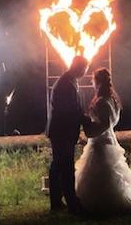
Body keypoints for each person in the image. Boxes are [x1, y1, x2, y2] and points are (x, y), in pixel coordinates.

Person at [75, 68, 131, 214]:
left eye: (93, 80)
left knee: (100, 173)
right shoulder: (113, 99)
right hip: (108, 139)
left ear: (97, 82)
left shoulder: (101, 102)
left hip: (101, 142)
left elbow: (104, 124)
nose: (91, 82)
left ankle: (102, 204)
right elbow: (112, 122)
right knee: (107, 174)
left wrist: (88, 128)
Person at [45, 55, 90, 214]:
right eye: (85, 69)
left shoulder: (69, 81)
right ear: (79, 67)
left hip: (62, 131)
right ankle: (71, 202)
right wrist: (86, 120)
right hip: (61, 131)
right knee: (64, 166)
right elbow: (70, 110)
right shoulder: (65, 84)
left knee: (60, 165)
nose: (86, 72)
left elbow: (74, 108)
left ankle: (58, 201)